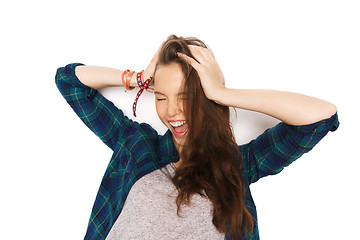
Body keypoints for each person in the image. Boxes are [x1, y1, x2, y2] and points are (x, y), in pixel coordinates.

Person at [55, 34, 339, 240]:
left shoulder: (239, 165)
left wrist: (221, 93)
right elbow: (69, 81)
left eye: (186, 97)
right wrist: (137, 78)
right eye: (162, 97)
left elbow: (320, 117)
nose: (171, 111)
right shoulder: (137, 145)